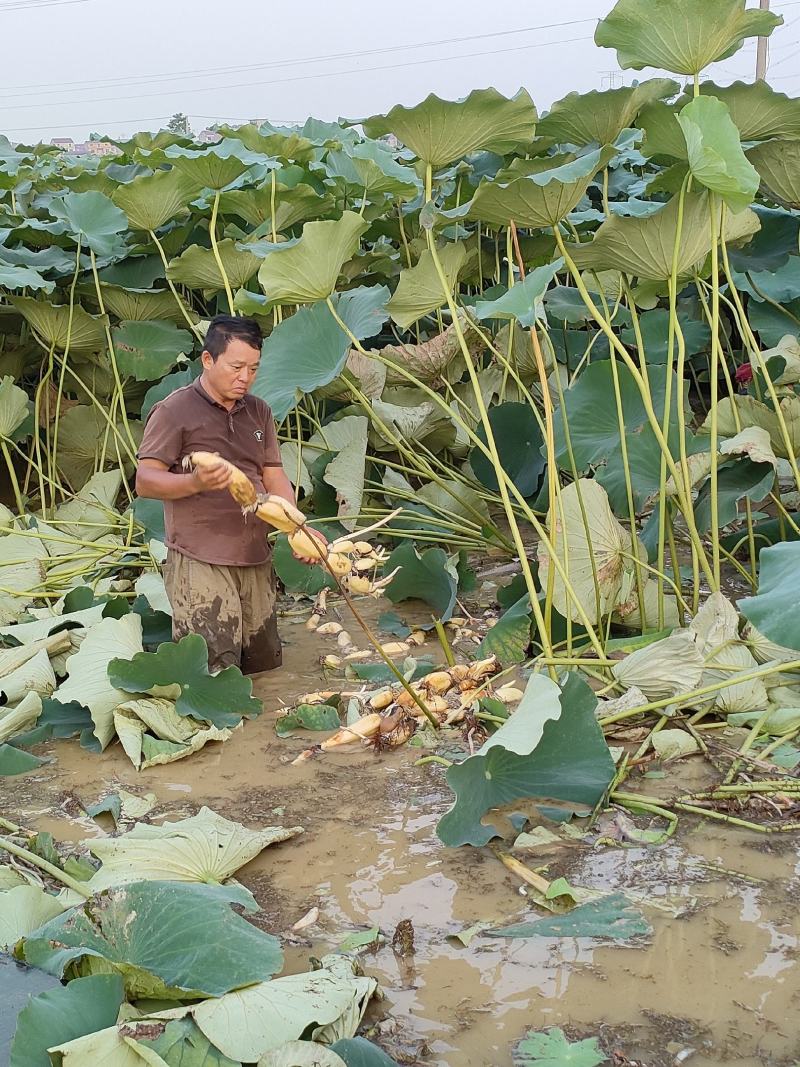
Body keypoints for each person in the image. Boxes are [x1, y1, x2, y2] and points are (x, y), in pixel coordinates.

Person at [135, 314, 325, 675]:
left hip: (254, 555)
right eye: (236, 367)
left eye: (253, 369)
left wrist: (295, 528)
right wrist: (195, 484)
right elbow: (145, 480)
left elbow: (273, 475)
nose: (245, 378)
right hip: (201, 559)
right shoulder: (174, 410)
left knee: (265, 670)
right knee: (215, 673)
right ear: (208, 360)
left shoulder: (259, 410)